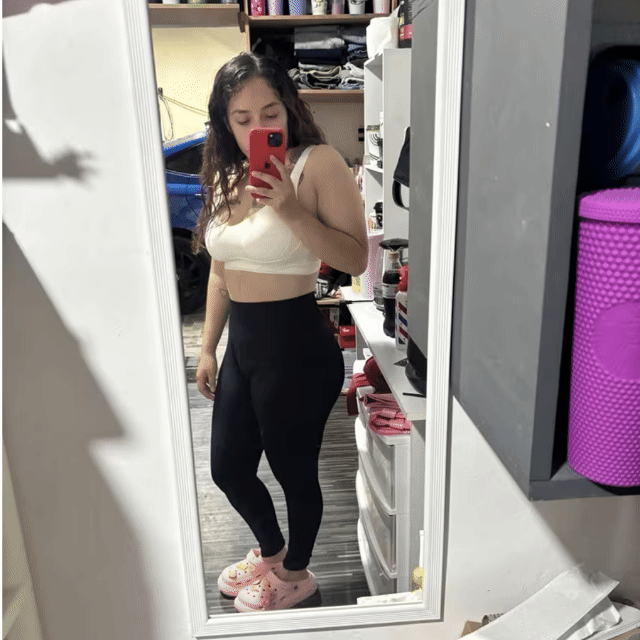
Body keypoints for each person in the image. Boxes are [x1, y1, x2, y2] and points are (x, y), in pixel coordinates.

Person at [192, 52, 368, 613]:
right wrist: (207, 347)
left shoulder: (317, 164)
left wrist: (290, 209)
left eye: (270, 112)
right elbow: (221, 269)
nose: (258, 127)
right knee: (227, 467)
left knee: (295, 473)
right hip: (242, 347)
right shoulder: (227, 174)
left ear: (289, 107)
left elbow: (355, 258)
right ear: (225, 123)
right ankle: (272, 552)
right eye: (242, 118)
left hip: (296, 345)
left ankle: (297, 575)